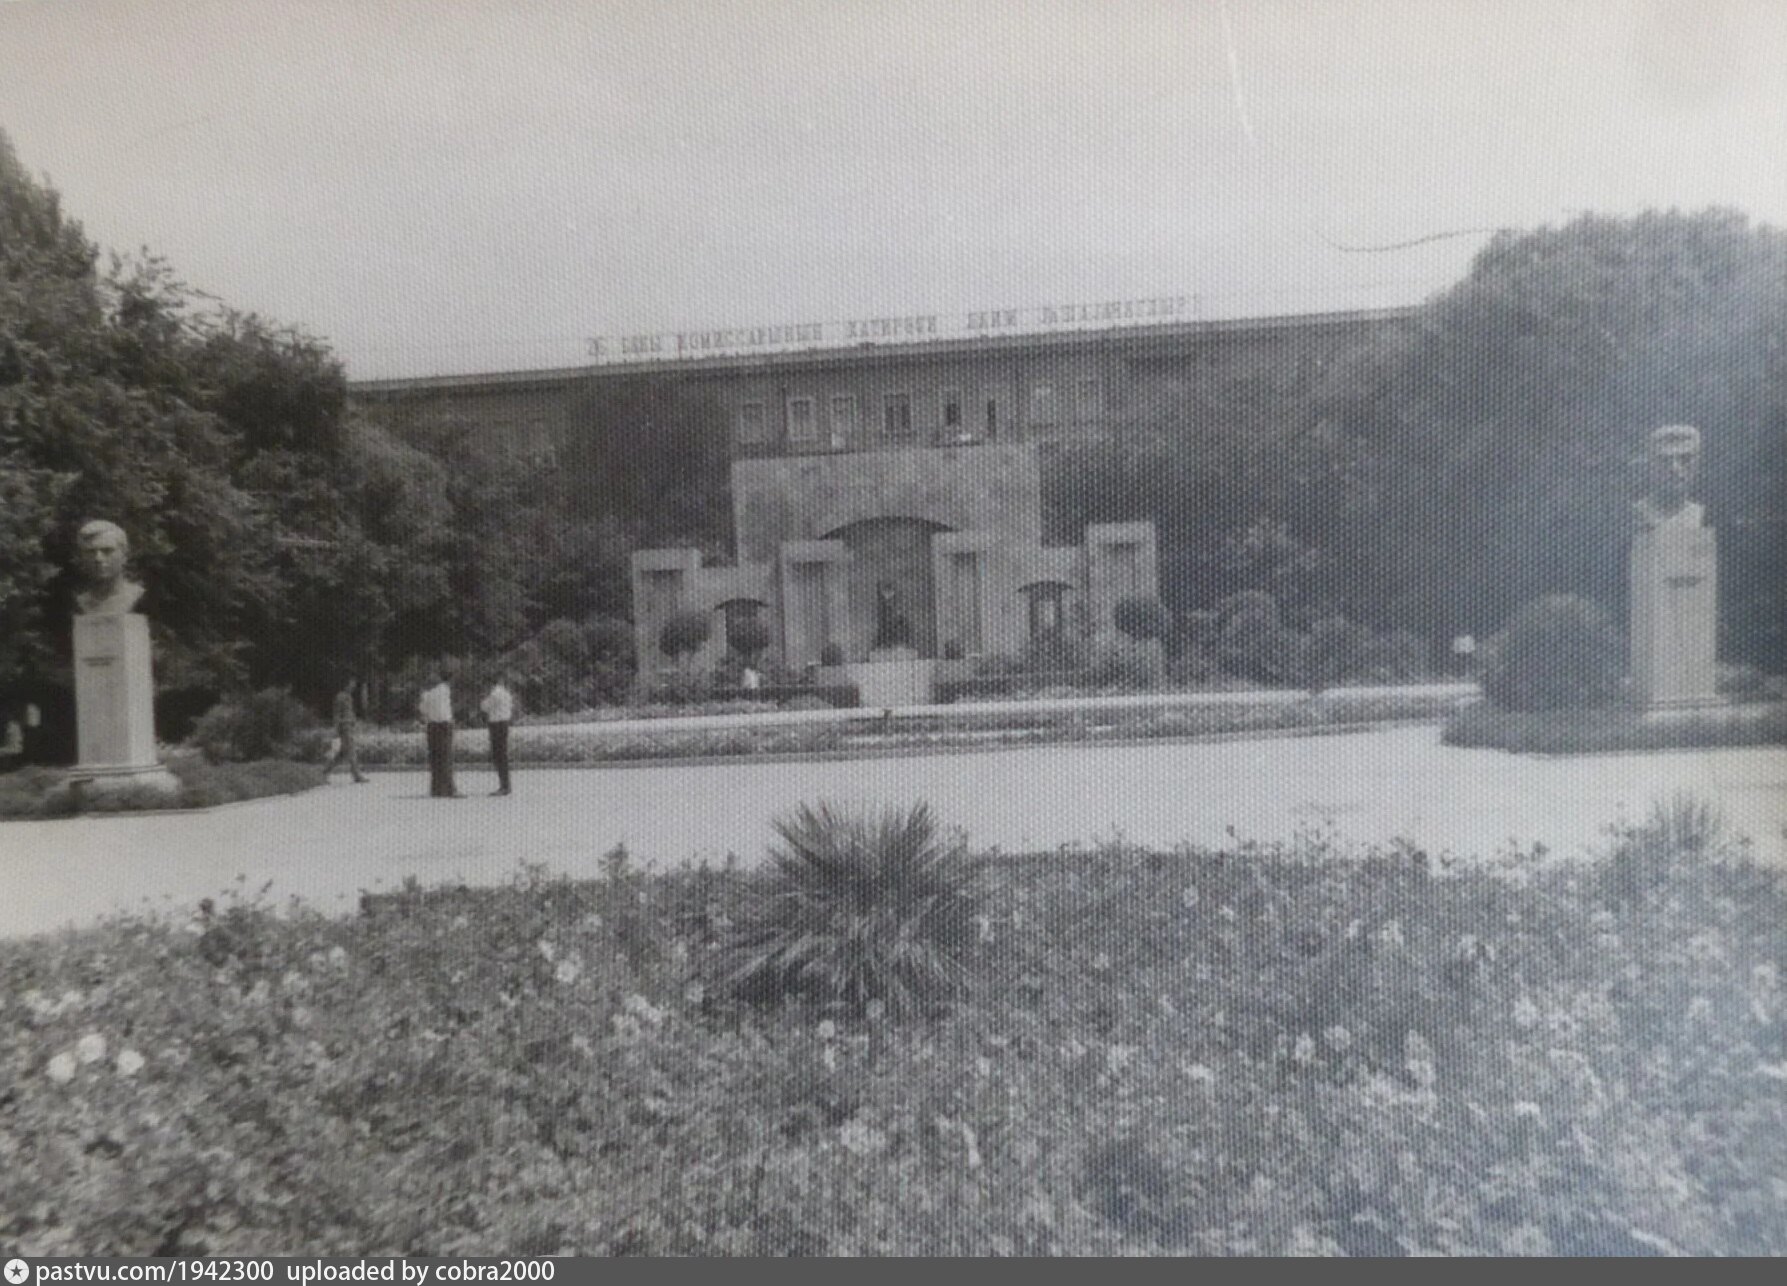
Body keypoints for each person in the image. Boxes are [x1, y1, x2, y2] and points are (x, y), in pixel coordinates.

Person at [73, 519, 146, 616]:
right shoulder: (77, 603)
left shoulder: (140, 598)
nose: (98, 558)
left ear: (125, 555)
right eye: (90, 552)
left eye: (107, 551)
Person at [417, 667, 459, 798]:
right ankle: (450, 789)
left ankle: (436, 788)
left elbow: (422, 710)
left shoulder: (427, 694)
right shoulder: (445, 689)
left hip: (432, 725)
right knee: (446, 756)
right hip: (444, 725)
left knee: (435, 757)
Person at [322, 679, 369, 784]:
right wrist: (337, 728)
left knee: (342, 754)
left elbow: (349, 712)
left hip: (349, 726)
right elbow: (337, 714)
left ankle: (324, 772)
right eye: (352, 683)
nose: (354, 686)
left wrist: (354, 722)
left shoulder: (348, 696)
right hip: (344, 727)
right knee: (351, 751)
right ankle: (357, 775)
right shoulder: (340, 697)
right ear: (346, 684)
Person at [479, 670, 515, 796]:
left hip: (496, 725)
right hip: (504, 723)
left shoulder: (494, 694)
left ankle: (504, 786)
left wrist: (484, 697)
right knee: (502, 754)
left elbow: (484, 707)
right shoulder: (506, 693)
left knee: (499, 755)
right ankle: (505, 784)